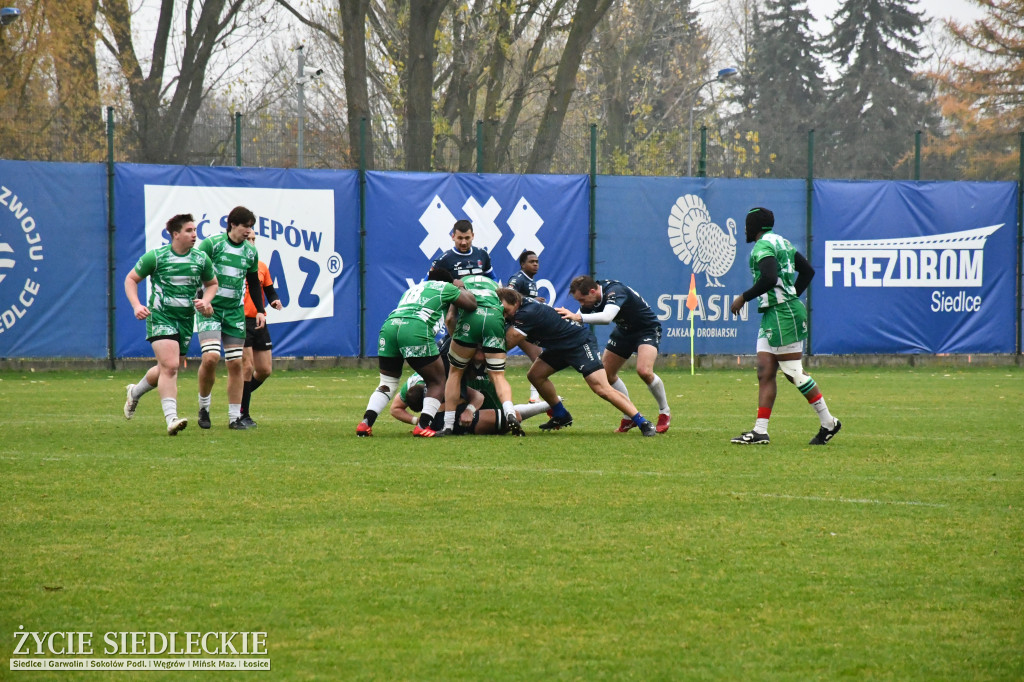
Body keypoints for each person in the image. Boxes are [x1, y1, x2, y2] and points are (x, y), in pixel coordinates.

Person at [729, 207, 841, 445]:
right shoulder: (783, 242)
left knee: (793, 372)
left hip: (782, 314)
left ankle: (829, 422)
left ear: (755, 227)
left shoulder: (762, 247)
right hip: (776, 312)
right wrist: (792, 295)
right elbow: (808, 271)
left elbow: (769, 278)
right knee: (765, 370)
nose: (745, 229)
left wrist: (743, 298)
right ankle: (760, 431)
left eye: (747, 225)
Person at [497, 287, 657, 437]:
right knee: (535, 375)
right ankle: (560, 414)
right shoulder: (520, 307)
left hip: (578, 343)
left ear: (516, 303)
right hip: (559, 346)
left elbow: (506, 344)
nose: (504, 316)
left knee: (601, 388)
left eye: (506, 311)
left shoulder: (526, 313)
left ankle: (642, 422)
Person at [122, 214, 218, 436]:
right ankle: (171, 419)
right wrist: (136, 305)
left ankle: (135, 392)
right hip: (161, 317)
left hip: (185, 320)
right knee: (171, 366)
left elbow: (212, 284)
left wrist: (206, 301)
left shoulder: (201, 259)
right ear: (175, 234)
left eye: (194, 230)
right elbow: (130, 279)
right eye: (189, 230)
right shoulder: (156, 257)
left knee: (167, 368)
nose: (194, 234)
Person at [357, 268, 477, 437]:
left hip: (389, 327)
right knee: (437, 381)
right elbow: (471, 304)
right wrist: (460, 287)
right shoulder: (445, 287)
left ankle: (365, 423)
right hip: (414, 328)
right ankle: (423, 426)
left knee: (388, 382)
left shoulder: (412, 289)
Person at [558, 275, 672, 434]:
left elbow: (606, 318)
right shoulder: (591, 298)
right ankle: (629, 416)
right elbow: (575, 322)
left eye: (582, 300)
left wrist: (579, 317)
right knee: (607, 374)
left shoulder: (615, 291)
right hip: (624, 331)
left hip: (647, 329)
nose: (581, 305)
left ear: (592, 291)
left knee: (644, 371)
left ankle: (664, 412)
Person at [194, 206, 266, 431]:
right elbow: (195, 271)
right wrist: (201, 299)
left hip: (235, 312)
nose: (249, 231)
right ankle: (203, 407)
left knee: (235, 363)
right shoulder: (212, 244)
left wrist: (261, 310)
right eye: (246, 226)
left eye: (251, 227)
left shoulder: (250, 252)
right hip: (210, 310)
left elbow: (254, 282)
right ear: (233, 224)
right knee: (211, 358)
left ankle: (234, 418)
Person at [442, 273, 523, 436]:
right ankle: (510, 413)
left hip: (471, 318)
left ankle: (448, 425)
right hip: (494, 317)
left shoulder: (457, 285)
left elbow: (450, 318)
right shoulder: (495, 287)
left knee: (455, 372)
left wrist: (457, 341)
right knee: (498, 376)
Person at [392, 374, 552, 435]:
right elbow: (395, 409)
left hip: (472, 396)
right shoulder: (422, 386)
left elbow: (476, 396)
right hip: (468, 412)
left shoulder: (441, 378)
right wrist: (418, 422)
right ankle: (550, 404)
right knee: (512, 416)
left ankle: (550, 403)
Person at [239, 229, 283, 428]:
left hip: (259, 321)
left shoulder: (262, 266)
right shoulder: (233, 266)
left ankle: (239, 397)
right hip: (240, 321)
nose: (252, 242)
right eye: (248, 238)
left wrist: (274, 301)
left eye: (254, 239)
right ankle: (243, 413)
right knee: (247, 367)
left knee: (264, 369)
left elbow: (269, 291)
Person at [507, 250, 546, 403]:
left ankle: (534, 397)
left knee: (539, 357)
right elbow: (508, 294)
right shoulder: (518, 278)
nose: (535, 264)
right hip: (516, 326)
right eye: (531, 261)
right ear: (523, 264)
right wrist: (532, 299)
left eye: (537, 261)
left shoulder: (530, 280)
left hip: (525, 326)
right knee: (491, 355)